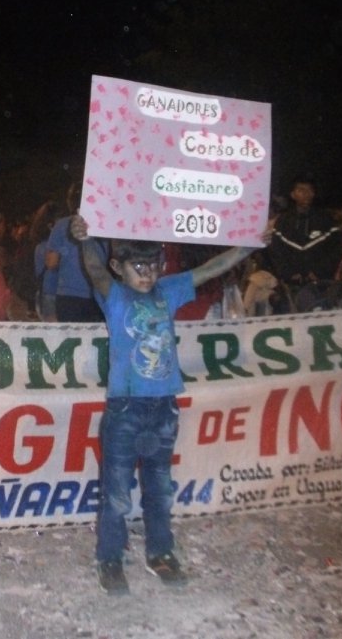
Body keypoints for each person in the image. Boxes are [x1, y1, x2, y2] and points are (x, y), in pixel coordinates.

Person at [69, 213, 253, 594]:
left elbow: (212, 267)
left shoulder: (168, 291)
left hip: (164, 408)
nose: (149, 273)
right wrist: (86, 239)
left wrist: (249, 244)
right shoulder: (115, 296)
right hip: (125, 410)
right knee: (117, 492)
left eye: (154, 265)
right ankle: (110, 558)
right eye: (139, 266)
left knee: (159, 488)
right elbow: (92, 267)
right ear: (118, 268)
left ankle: (161, 553)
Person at [266, 174, 342, 305]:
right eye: (301, 190)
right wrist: (289, 273)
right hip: (290, 285)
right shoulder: (283, 221)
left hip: (321, 284)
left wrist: (318, 272)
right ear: (293, 194)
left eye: (309, 190)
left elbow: (336, 250)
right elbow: (276, 251)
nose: (305, 194)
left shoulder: (326, 219)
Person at [46, 182, 104, 322]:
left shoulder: (61, 225)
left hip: (69, 295)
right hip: (102, 294)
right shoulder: (104, 225)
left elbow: (51, 263)